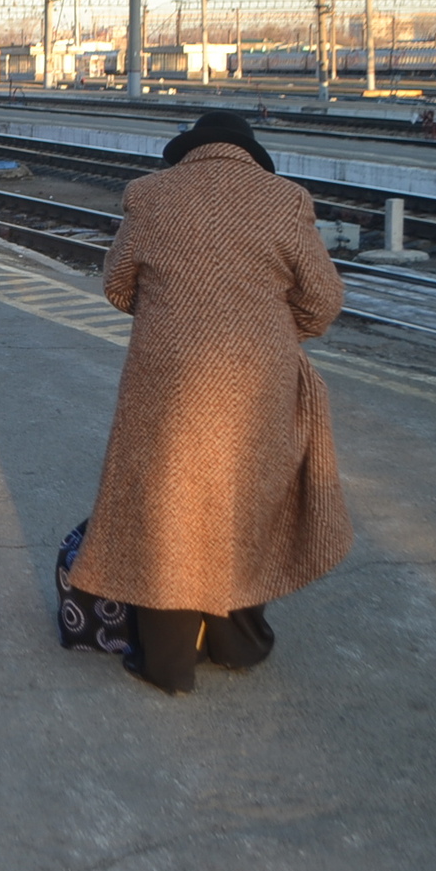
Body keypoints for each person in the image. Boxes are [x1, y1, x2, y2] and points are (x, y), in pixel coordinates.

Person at [66, 111, 350, 695]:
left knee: (168, 508)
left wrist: (180, 314)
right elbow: (324, 301)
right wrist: (264, 323)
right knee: (243, 500)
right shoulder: (286, 199)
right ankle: (238, 643)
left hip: (165, 381)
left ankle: (167, 662)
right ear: (249, 154)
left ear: (190, 151)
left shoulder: (149, 194)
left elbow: (119, 286)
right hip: (258, 379)